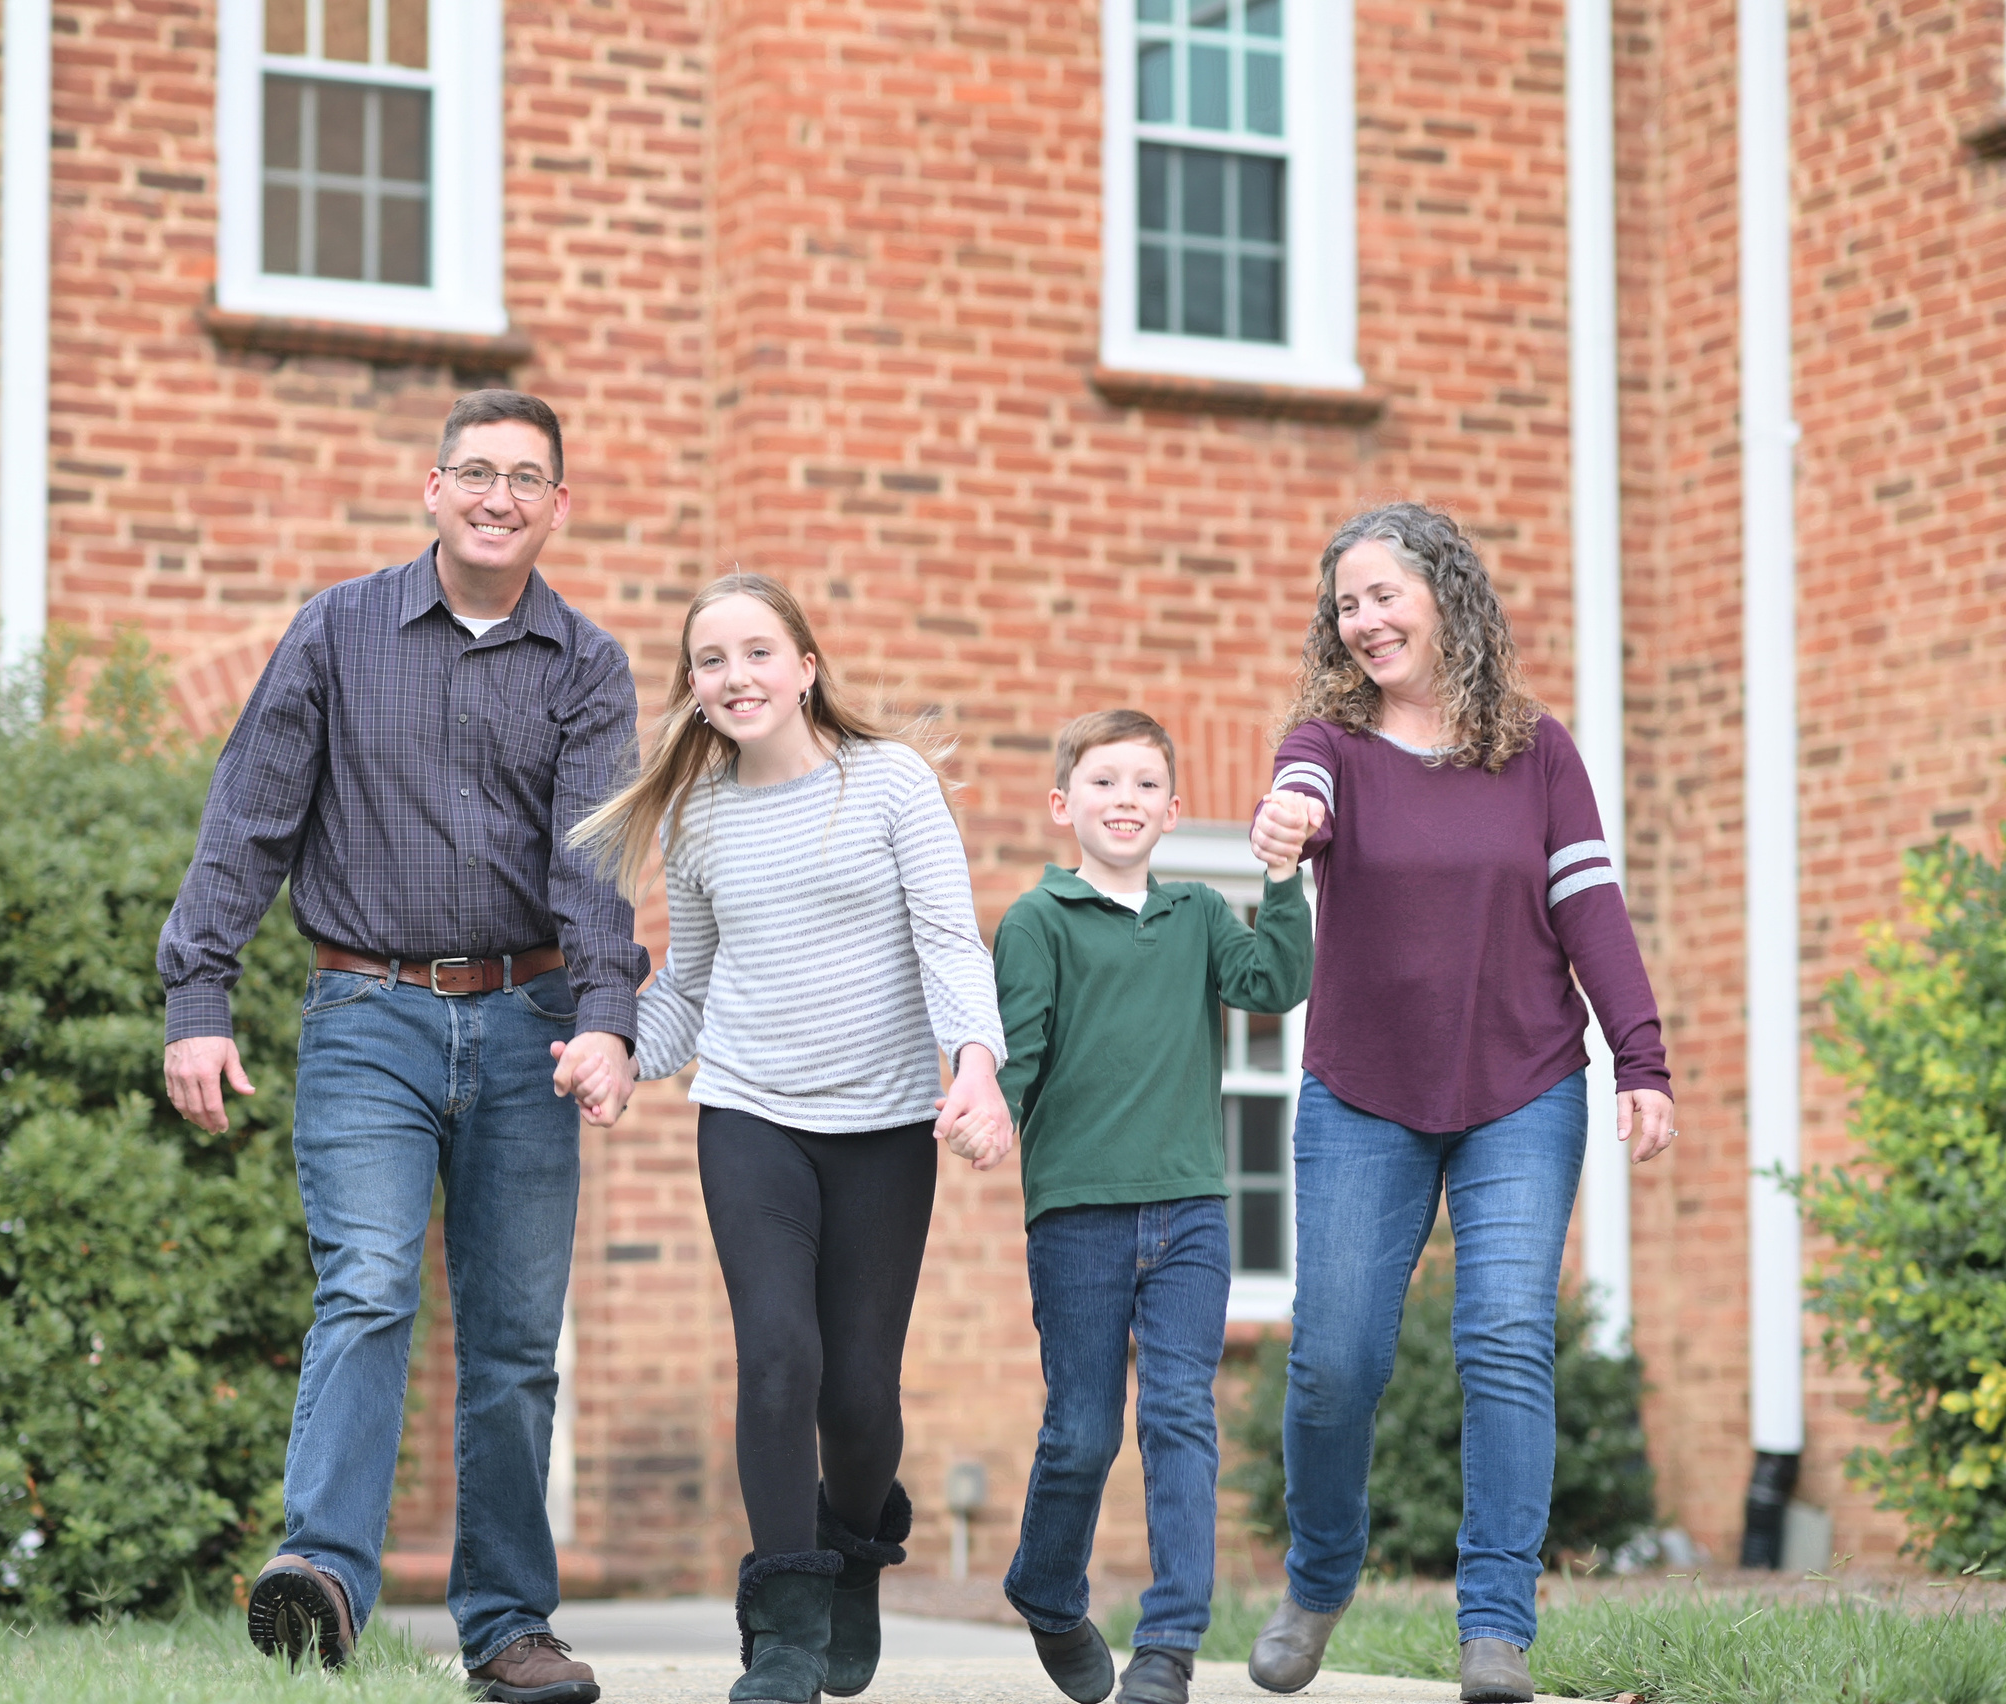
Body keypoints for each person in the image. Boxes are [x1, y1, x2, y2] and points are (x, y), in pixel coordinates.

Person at [158, 390, 644, 1700]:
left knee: (514, 1344)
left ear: (557, 506)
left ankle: (510, 1631)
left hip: (531, 1022)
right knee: (368, 1283)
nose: (497, 498)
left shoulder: (586, 665)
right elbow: (250, 816)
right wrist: (198, 998)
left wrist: (607, 1020)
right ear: (432, 488)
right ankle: (319, 1582)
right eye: (475, 472)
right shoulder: (338, 630)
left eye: (525, 478)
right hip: (367, 1012)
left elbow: (593, 862)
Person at [1243, 504, 1677, 1704]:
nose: (1364, 620)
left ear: (1446, 596)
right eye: (1346, 604)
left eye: (1384, 594)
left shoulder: (1537, 753)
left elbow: (1590, 908)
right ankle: (1318, 1580)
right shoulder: (1329, 746)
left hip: (1520, 1090)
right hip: (1363, 1095)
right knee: (1334, 1360)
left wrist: (1640, 1059)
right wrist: (1287, 819)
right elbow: (1297, 793)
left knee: (1503, 1342)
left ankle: (1494, 1628)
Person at [562, 572, 1014, 1704]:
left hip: (881, 1127)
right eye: (710, 661)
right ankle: (785, 1632)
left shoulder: (891, 784)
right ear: (692, 686)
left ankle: (851, 1557)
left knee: (858, 1396)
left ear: (806, 667)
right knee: (776, 1356)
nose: (736, 677)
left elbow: (950, 944)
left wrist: (974, 1065)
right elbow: (693, 986)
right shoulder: (698, 815)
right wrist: (617, 1049)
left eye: (757, 652)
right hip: (751, 1115)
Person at [991, 711, 1316, 1704]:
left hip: (1190, 1215)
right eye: (1103, 782)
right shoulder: (1037, 921)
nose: (1123, 800)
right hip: (1077, 1217)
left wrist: (1281, 877)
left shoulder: (1200, 915)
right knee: (1082, 1434)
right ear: (1064, 805)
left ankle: (1169, 1644)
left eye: (1144, 785)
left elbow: (1274, 982)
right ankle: (1048, 1591)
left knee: (1179, 1417)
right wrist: (987, 1111)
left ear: (1173, 812)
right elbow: (1018, 1051)